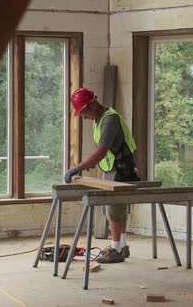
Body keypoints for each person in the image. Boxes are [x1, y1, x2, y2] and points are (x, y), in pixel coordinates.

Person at [64, 87, 140, 263]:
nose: (84, 117)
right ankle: (121, 246)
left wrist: (78, 168)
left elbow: (101, 151)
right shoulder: (99, 119)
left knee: (114, 210)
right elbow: (104, 153)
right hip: (113, 167)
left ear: (93, 105)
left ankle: (115, 250)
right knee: (115, 209)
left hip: (120, 169)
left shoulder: (109, 120)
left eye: (84, 113)